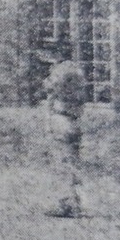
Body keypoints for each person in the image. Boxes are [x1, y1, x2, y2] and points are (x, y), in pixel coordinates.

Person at [38, 45, 89, 218]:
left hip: (61, 117)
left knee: (61, 163)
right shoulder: (78, 70)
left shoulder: (60, 71)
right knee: (73, 162)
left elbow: (49, 88)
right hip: (75, 118)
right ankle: (75, 201)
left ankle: (66, 203)